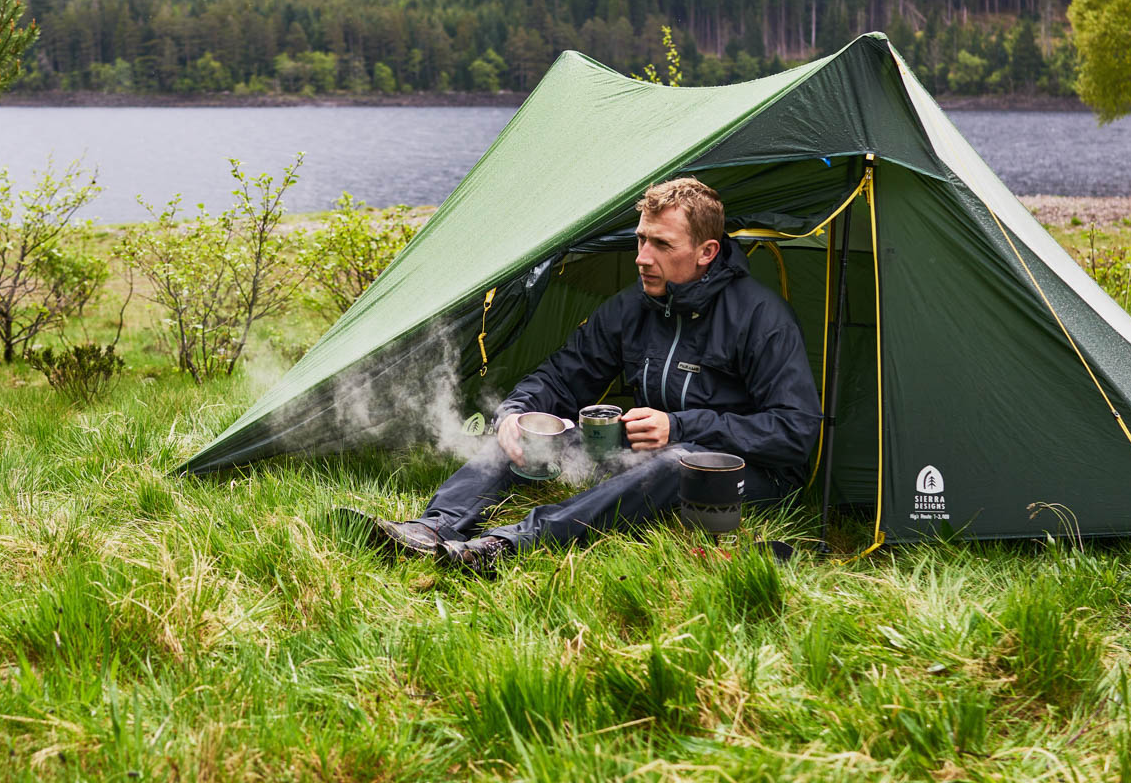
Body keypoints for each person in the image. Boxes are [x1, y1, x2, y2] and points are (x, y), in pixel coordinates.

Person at [341, 177, 822, 577]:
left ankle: (509, 545)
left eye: (661, 244)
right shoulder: (633, 307)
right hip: (649, 454)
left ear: (706, 251)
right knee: (530, 431)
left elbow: (796, 433)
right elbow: (561, 376)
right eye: (640, 239)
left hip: (745, 475)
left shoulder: (760, 317)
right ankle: (432, 528)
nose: (642, 257)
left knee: (676, 461)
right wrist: (515, 415)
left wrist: (683, 427)